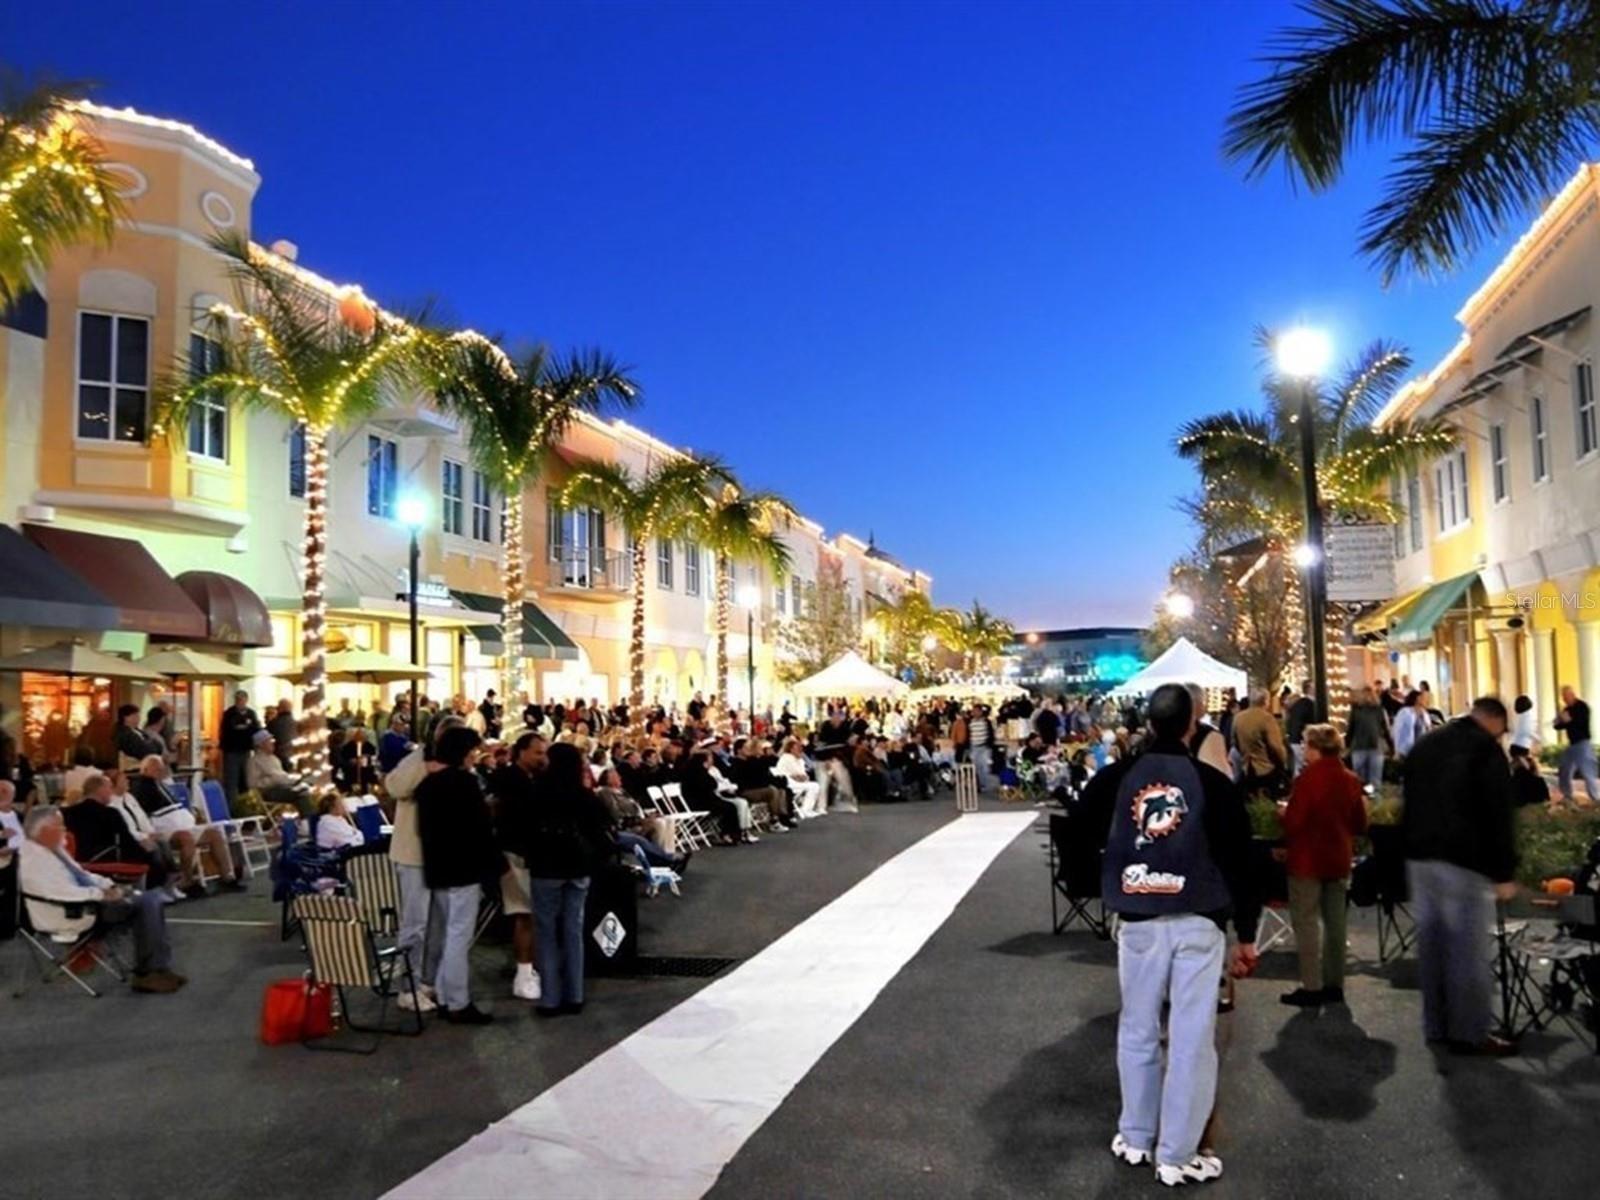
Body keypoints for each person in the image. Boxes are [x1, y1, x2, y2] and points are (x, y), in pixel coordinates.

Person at [1083, 683, 1258, 1186]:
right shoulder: (1211, 783)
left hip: (1137, 917)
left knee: (1137, 1027)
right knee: (1191, 1037)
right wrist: (1246, 932)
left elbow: (1079, 829)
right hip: (1197, 918)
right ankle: (1177, 1153)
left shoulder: (1117, 778)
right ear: (1191, 725)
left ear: (1149, 722)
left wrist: (1109, 877)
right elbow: (1241, 859)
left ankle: (1136, 1135)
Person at [1400, 697, 1518, 1055]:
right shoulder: (1486, 750)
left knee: (1433, 949)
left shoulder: (1428, 743)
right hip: (1464, 862)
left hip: (1421, 860)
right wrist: (1504, 872)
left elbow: (1409, 800)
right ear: (1495, 721)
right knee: (1466, 952)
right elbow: (1498, 813)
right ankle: (1469, 1032)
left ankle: (1437, 1026)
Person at [20, 805, 184, 993]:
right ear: (45, 830)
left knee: (151, 899)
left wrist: (108, 885)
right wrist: (101, 895)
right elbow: (58, 892)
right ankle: (148, 973)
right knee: (147, 902)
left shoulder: (53, 849)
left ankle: (158, 968)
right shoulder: (31, 861)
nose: (65, 831)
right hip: (72, 912)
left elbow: (83, 874)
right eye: (61, 826)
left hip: (87, 902)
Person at [416, 725, 502, 1025]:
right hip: (463, 868)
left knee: (450, 931)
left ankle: (443, 992)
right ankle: (457, 1001)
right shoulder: (465, 784)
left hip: (438, 867)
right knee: (458, 936)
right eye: (472, 751)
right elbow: (478, 828)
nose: (474, 756)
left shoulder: (428, 785)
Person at [1277, 724, 1368, 1007]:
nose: (1303, 749)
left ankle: (1312, 985)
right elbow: (1360, 822)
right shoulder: (1350, 779)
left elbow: (1295, 822)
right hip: (1338, 857)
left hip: (1307, 858)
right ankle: (1334, 983)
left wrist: (1282, 813)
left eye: (1305, 744)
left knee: (1306, 923)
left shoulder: (1307, 780)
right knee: (1336, 923)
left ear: (1315, 747)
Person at [523, 742, 611, 1017]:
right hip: (578, 867)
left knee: (546, 932)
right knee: (574, 929)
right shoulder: (584, 796)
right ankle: (575, 994)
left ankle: (550, 998)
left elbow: (519, 827)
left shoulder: (536, 792)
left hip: (546, 868)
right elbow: (602, 829)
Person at [131, 756, 243, 896]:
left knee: (214, 834)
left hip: (184, 825)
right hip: (165, 828)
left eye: (161, 768)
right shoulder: (142, 787)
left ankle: (227, 877)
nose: (160, 771)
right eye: (156, 768)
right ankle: (187, 881)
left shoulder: (163, 785)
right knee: (186, 838)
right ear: (146, 770)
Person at [490, 731, 547, 1003]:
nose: (542, 758)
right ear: (522, 751)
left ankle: (529, 969)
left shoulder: (531, 779)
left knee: (531, 914)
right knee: (525, 915)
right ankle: (523, 975)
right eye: (537, 752)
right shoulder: (509, 780)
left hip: (528, 854)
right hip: (514, 855)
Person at [63, 772, 173, 891]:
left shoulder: (66, 812)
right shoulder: (111, 813)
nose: (111, 792)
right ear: (100, 790)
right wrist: (144, 847)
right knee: (152, 852)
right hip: (107, 857)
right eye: (109, 788)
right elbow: (127, 841)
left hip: (75, 858)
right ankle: (154, 891)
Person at [1231, 689, 1286, 795]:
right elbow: (1275, 746)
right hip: (1266, 768)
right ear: (1266, 701)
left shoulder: (1238, 718)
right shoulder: (1267, 718)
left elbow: (1234, 742)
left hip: (1247, 766)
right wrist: (1282, 762)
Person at [1553, 685, 1598, 806]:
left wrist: (1568, 721)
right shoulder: (1566, 709)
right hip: (1572, 745)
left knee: (1587, 771)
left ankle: (1595, 798)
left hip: (1582, 743)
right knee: (1564, 768)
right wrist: (1560, 720)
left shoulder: (1582, 707)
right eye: (1563, 697)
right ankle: (1567, 796)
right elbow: (1557, 726)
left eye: (1566, 696)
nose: (1564, 699)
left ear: (1572, 694)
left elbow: (1581, 723)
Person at [247, 731, 312, 814]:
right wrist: (272, 780)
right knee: (300, 793)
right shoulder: (253, 761)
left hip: (284, 786)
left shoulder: (275, 759)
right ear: (260, 744)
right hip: (269, 792)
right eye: (269, 741)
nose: (272, 743)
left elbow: (282, 776)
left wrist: (293, 779)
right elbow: (252, 784)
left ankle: (307, 822)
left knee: (304, 790)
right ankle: (308, 822)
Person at [218, 690, 261, 809]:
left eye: (242, 699)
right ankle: (231, 808)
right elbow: (224, 732)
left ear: (246, 700)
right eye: (238, 699)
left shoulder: (251, 714)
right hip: (231, 751)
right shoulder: (229, 714)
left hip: (246, 750)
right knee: (231, 781)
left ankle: (245, 807)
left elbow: (255, 729)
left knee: (246, 780)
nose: (240, 702)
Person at [1345, 684, 1391, 790]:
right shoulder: (1380, 710)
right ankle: (1374, 801)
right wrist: (1390, 746)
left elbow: (1350, 729)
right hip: (1376, 746)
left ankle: (1363, 801)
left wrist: (1347, 745)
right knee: (1375, 779)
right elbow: (1385, 729)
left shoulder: (1355, 710)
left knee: (1360, 779)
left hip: (1359, 747)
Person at [1185, 684, 1231, 777]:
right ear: (1198, 704)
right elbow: (1221, 774)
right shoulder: (1209, 735)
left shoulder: (1161, 734)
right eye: (1204, 702)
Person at [775, 738, 823, 817]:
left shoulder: (800, 759)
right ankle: (805, 810)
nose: (799, 749)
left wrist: (803, 777)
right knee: (814, 786)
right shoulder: (786, 757)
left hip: (798, 782)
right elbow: (793, 774)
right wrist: (799, 777)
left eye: (800, 747)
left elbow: (802, 774)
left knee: (814, 785)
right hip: (787, 782)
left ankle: (807, 809)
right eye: (796, 748)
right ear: (791, 749)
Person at [1284, 682, 1315, 776]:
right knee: (1307, 768)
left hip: (1294, 740)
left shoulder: (1299, 703)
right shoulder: (1309, 704)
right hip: (1301, 741)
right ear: (1309, 689)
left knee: (1298, 769)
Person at [267, 700, 297, 769]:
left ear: (281, 708)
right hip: (292, 755)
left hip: (278, 755)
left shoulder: (274, 723)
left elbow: (266, 738)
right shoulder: (296, 723)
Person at [1509, 694, 1540, 760]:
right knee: (1526, 768)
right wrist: (1538, 738)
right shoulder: (1528, 715)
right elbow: (1527, 731)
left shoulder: (1519, 716)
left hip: (1515, 745)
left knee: (1520, 767)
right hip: (1522, 746)